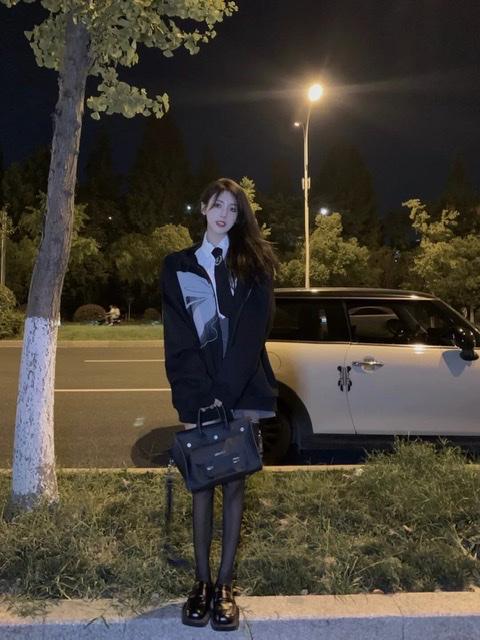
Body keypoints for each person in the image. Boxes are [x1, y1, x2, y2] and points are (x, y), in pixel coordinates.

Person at [160, 178, 278, 631]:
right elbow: (178, 337)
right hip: (197, 394)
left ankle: (226, 585)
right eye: (218, 205)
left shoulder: (255, 265)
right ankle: (201, 583)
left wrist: (223, 394)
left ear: (240, 215)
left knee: (234, 485)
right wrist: (195, 398)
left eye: (233, 208)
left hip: (242, 390)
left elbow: (252, 335)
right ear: (203, 208)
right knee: (201, 486)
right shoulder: (178, 266)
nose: (224, 214)